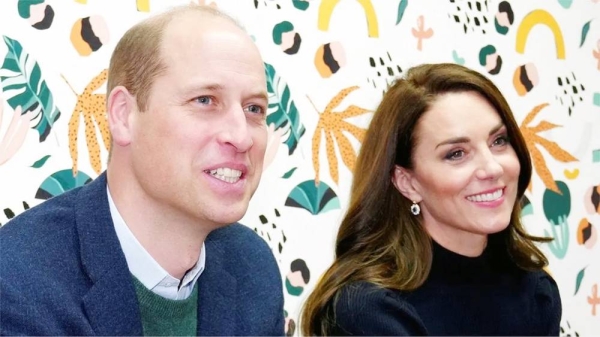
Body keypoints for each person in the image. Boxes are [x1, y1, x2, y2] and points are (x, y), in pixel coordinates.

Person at [0, 5, 284, 336]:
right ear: (124, 115)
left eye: (254, 109)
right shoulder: (18, 283)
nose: (241, 136)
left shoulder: (253, 269)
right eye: (205, 100)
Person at [301, 63, 562, 336]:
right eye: (457, 153)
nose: (493, 168)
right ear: (407, 182)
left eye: (498, 141)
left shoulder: (535, 292)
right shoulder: (370, 310)